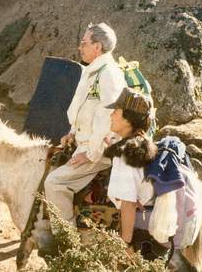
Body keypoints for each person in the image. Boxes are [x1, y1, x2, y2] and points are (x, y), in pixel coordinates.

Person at [44, 22, 126, 228]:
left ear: (97, 47)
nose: (80, 47)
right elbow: (83, 108)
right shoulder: (93, 72)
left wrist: (90, 154)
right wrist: (72, 132)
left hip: (100, 150)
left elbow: (107, 120)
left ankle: (66, 237)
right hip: (84, 142)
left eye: (84, 43)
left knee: (54, 183)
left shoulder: (109, 75)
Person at [103, 87, 172, 261]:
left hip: (141, 234)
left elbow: (128, 202)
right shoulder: (142, 144)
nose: (111, 115)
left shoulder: (127, 153)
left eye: (116, 111)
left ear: (128, 119)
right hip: (155, 229)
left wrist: (125, 244)